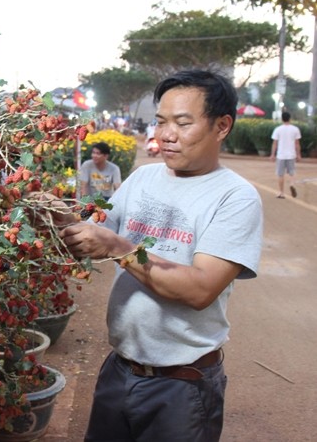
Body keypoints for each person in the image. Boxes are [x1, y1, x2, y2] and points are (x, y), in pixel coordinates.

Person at [44, 70, 264, 442]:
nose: (166, 135)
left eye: (182, 123)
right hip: (120, 370)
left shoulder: (235, 198)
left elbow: (199, 289)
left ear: (222, 125)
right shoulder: (143, 178)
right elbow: (92, 228)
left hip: (182, 387)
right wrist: (52, 213)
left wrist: (118, 247)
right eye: (160, 122)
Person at [270, 111, 301, 198]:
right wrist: (298, 154)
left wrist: (272, 154)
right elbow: (297, 143)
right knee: (292, 172)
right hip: (291, 154)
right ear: (290, 118)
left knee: (280, 174)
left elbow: (274, 143)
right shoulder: (295, 129)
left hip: (281, 155)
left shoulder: (278, 129)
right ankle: (292, 184)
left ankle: (281, 192)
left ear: (282, 119)